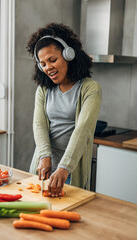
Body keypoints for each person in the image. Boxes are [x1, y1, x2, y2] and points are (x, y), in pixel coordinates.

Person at [27, 23, 101, 197]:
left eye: (52, 60)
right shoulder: (43, 90)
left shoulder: (90, 88)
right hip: (43, 167)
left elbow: (83, 130)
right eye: (43, 64)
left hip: (69, 171)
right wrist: (44, 157)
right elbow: (39, 125)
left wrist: (64, 167)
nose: (48, 68)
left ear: (69, 55)